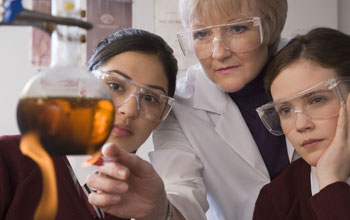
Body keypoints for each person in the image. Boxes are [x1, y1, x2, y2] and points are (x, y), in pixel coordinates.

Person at [0, 28, 177, 220]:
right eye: (115, 86)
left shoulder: (139, 201)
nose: (130, 110)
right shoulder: (10, 160)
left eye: (150, 98)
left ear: (162, 116)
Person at [149, 0, 295, 219]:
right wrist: (156, 207)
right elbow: (180, 194)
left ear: (270, 26)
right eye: (201, 34)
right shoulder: (178, 106)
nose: (218, 53)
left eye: (238, 28)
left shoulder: (321, 68)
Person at [253, 27, 350, 220]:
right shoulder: (275, 199)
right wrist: (331, 182)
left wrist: (331, 185)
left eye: (317, 100)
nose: (300, 125)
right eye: (285, 110)